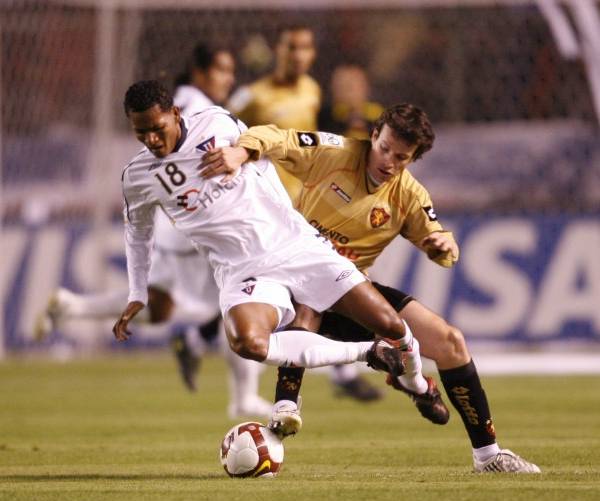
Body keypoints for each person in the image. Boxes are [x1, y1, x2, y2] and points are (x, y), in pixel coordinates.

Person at [199, 104, 541, 473]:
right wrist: (241, 151)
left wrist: (444, 246)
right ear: (374, 135)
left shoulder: (409, 196)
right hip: (291, 279)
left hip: (351, 294)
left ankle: (488, 455)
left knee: (451, 342)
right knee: (309, 302)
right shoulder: (333, 153)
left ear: (413, 158)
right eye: (385, 149)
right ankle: (287, 405)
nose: (389, 162)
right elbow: (274, 137)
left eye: (401, 157)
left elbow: (441, 244)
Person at [114, 80, 431, 439]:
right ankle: (368, 354)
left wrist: (242, 156)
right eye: (141, 133)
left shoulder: (216, 122)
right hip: (241, 270)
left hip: (295, 245)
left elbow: (265, 147)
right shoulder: (137, 177)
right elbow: (137, 233)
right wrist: (137, 292)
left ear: (175, 114)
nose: (152, 140)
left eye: (158, 129)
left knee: (390, 325)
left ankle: (418, 384)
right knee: (247, 342)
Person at [34, 46, 271, 419]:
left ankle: (73, 307)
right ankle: (240, 392)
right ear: (199, 74)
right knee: (243, 301)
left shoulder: (195, 107)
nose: (228, 79)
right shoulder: (195, 107)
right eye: (221, 71)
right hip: (197, 229)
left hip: (174, 229)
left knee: (160, 308)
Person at [229, 26, 381, 402]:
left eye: (306, 48)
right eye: (292, 47)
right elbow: (224, 131)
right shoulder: (251, 96)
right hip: (264, 213)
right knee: (272, 296)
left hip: (306, 206)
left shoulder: (312, 90)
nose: (299, 55)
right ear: (278, 50)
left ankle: (323, 380)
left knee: (325, 289)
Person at [318, 63, 384, 139]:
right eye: (340, 86)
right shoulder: (325, 117)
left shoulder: (378, 116)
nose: (346, 92)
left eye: (350, 86)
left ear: (366, 87)